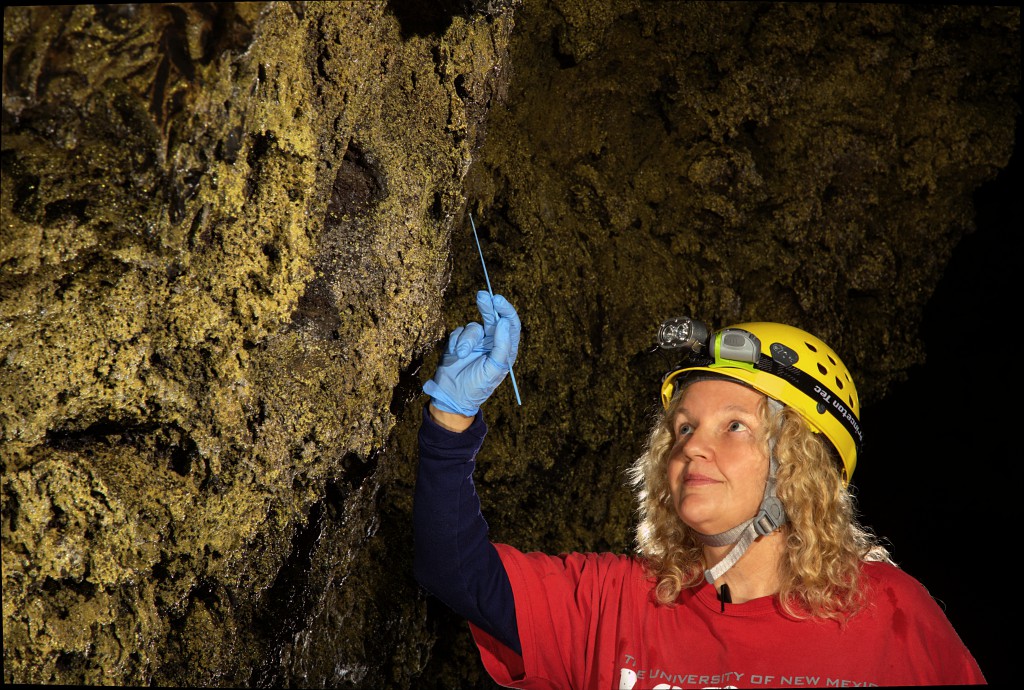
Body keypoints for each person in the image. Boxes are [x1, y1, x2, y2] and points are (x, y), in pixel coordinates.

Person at [414, 291, 985, 688]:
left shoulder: (887, 612)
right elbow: (455, 571)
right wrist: (450, 420)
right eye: (684, 427)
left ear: (799, 462)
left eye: (734, 426)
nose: (692, 447)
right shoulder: (621, 604)